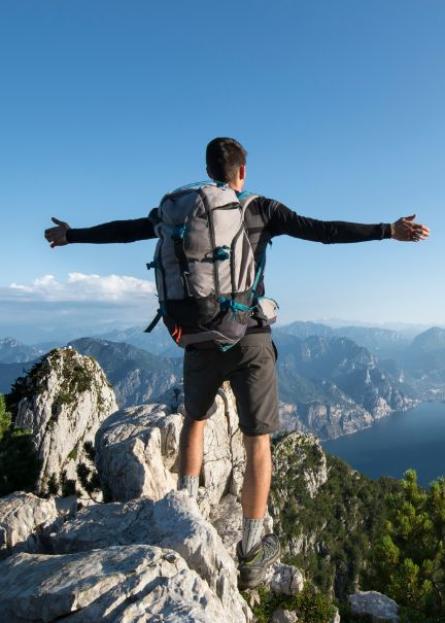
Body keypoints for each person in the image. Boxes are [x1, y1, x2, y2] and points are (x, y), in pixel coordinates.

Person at [44, 137, 430, 590]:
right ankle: (250, 551)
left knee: (194, 421)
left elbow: (126, 229)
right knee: (258, 441)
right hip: (250, 340)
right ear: (241, 171)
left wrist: (72, 235)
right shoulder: (260, 208)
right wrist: (388, 230)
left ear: (210, 171)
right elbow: (325, 231)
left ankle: (181, 519)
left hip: (197, 339)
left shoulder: (178, 213)